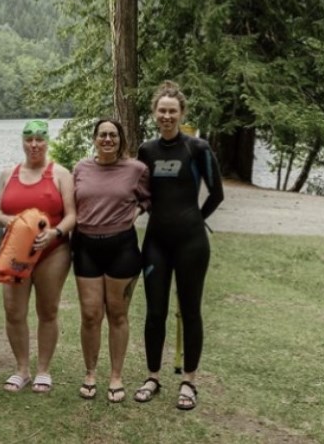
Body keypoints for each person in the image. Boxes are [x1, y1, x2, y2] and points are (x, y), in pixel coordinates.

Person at [134, 81, 224, 410]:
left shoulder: (197, 148)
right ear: (154, 113)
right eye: (162, 111)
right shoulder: (146, 151)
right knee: (155, 312)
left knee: (190, 311)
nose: (167, 116)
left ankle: (189, 381)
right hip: (156, 242)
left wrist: (196, 219)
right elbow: (141, 192)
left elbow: (217, 193)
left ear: (182, 113)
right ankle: (152, 376)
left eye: (173, 111)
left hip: (191, 243)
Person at [71, 118, 150, 403]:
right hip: (85, 247)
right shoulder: (81, 168)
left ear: (120, 140)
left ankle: (116, 376)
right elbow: (70, 203)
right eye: (102, 134)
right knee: (91, 315)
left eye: (113, 135)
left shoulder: (136, 169)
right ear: (94, 139)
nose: (107, 139)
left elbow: (152, 197)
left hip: (122, 248)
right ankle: (90, 373)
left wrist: (138, 209)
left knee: (118, 314)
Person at [0, 120, 76, 393]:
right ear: (22, 142)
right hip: (16, 251)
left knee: (47, 310)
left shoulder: (61, 174)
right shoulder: (8, 174)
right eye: (29, 139)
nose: (34, 144)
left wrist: (54, 233)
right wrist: (12, 222)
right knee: (14, 311)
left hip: (52, 252)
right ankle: (21, 369)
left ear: (47, 142)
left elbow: (72, 215)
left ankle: (43, 370)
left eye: (40, 139)